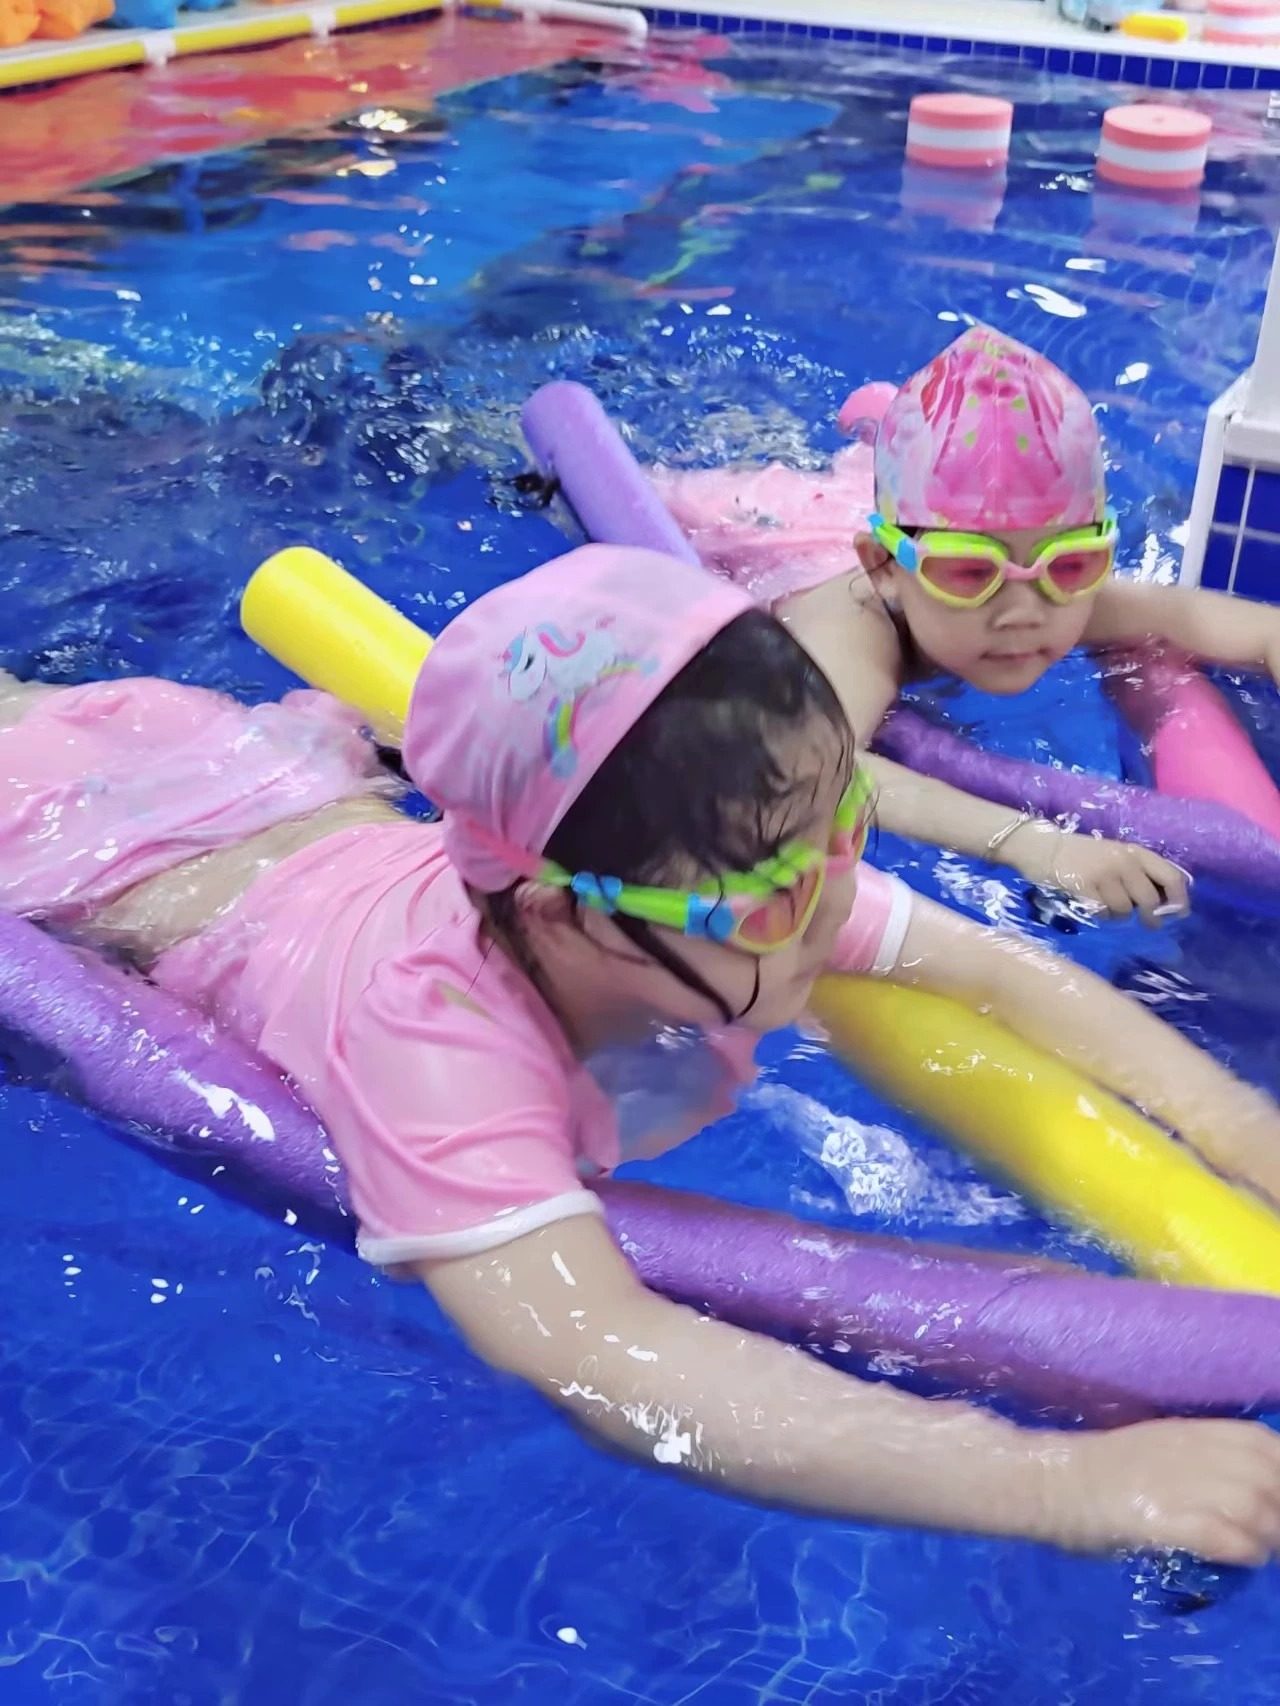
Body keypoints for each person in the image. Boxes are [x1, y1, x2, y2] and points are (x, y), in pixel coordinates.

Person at [3, 543, 1280, 1563]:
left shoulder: (734, 869)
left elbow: (1000, 970)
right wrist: (1058, 1482)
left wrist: (1238, 1130)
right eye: (781, 890)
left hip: (249, 779)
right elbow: (597, 1349)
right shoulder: (432, 1035)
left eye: (843, 818)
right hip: (81, 843)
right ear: (563, 915)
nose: (838, 897)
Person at [653, 323, 1280, 925]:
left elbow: (1249, 626)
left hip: (907, 513)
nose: (1024, 611)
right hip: (755, 524)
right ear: (884, 568)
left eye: (1072, 562)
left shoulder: (1045, 582)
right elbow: (814, 771)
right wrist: (1035, 844)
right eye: (969, 573)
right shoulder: (859, 621)